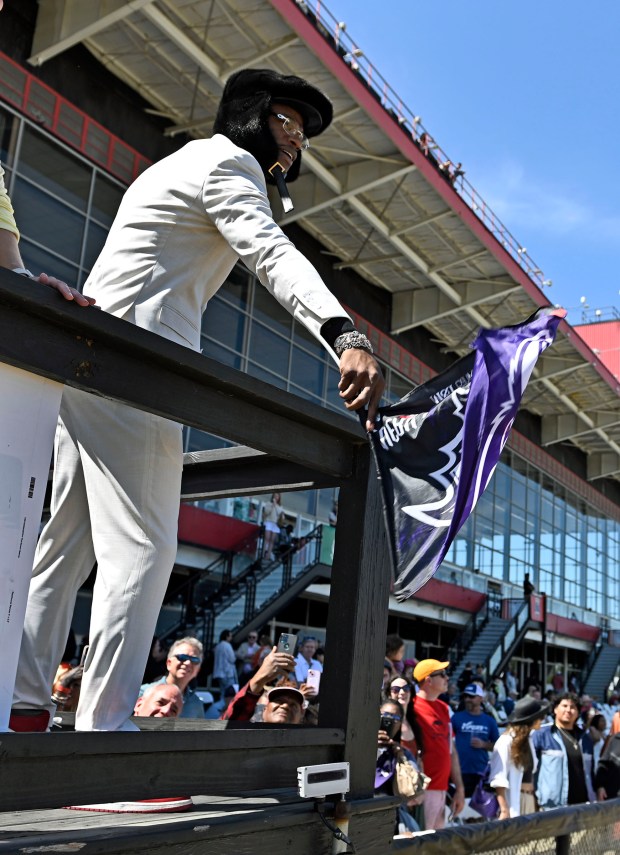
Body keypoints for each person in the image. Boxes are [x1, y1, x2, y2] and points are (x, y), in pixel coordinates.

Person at [11, 66, 383, 734]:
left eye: (302, 132)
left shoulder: (181, 164)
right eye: (286, 121)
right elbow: (270, 252)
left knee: (64, 548)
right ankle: (105, 730)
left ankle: (22, 709)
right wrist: (344, 332)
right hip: (138, 366)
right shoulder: (229, 164)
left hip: (90, 356)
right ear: (249, 114)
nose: (295, 141)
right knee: (144, 551)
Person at [412, 658, 465, 829]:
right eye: (442, 674)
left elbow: (451, 751)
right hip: (420, 792)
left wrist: (459, 789)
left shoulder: (443, 707)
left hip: (442, 789)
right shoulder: (411, 708)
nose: (447, 678)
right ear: (428, 680)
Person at [532, 692, 595, 810]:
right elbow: (530, 770)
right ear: (555, 709)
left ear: (578, 712)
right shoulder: (542, 734)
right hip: (552, 807)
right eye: (564, 706)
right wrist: (534, 799)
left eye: (573, 707)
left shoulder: (585, 738)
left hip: (583, 806)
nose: (568, 710)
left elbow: (591, 772)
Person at [489, 697, 548, 818]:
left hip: (529, 799)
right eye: (540, 717)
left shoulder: (528, 740)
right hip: (513, 801)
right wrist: (504, 810)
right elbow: (498, 778)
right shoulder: (505, 741)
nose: (542, 720)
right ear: (530, 720)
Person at [375, 699, 423, 836]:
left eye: (395, 717)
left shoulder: (404, 754)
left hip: (392, 818)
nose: (389, 721)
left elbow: (416, 795)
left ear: (400, 723)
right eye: (384, 715)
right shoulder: (360, 745)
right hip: (362, 812)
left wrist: (399, 756)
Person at [222, 645, 302, 723]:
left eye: (293, 705)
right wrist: (259, 679)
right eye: (279, 701)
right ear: (264, 709)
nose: (285, 706)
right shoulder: (248, 734)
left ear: (302, 716)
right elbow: (230, 723)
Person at [451, 683, 499, 798]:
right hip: (459, 771)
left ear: (480, 698)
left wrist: (483, 744)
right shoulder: (456, 718)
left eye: (471, 697)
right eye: (465, 696)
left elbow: (497, 746)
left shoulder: (489, 721)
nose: (468, 699)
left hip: (480, 771)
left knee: (479, 810)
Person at [139, 637, 205, 719]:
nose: (188, 663)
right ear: (169, 663)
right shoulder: (142, 693)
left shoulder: (196, 704)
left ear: (198, 670)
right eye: (182, 657)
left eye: (194, 660)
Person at [212, 630, 237, 696]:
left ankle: (219, 705)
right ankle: (217, 706)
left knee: (223, 693)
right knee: (230, 695)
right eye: (230, 636)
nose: (231, 638)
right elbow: (232, 659)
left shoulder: (218, 646)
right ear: (227, 636)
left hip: (219, 674)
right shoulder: (227, 645)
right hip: (227, 674)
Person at [262, 493, 283, 561]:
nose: (276, 497)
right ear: (273, 497)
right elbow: (266, 512)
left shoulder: (280, 506)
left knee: (272, 540)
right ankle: (263, 553)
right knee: (267, 538)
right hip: (269, 521)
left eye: (277, 496)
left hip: (275, 523)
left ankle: (268, 555)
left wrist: (275, 506)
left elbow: (279, 513)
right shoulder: (268, 503)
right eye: (275, 496)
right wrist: (272, 506)